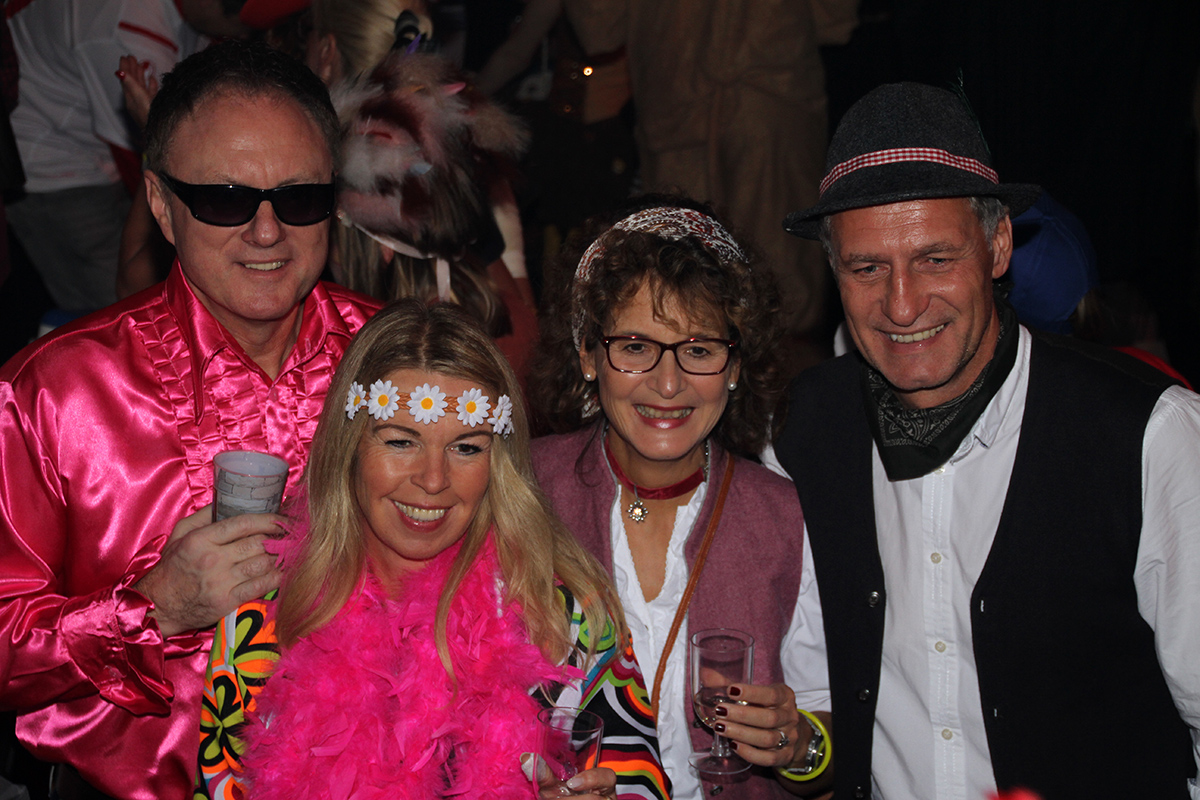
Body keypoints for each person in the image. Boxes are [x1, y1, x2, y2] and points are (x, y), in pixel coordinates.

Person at [775, 82, 1200, 800]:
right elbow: (814, 701)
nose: (902, 304)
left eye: (935, 259)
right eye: (867, 267)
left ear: (998, 244)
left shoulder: (1151, 435)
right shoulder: (800, 433)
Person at [0, 40, 379, 799]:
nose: (266, 232)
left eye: (299, 198)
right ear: (160, 204)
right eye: (226, 199)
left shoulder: (397, 368)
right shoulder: (53, 392)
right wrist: (153, 608)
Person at [193, 298, 670, 800]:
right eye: (401, 442)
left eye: (466, 447)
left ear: (497, 462)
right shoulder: (262, 618)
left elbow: (639, 781)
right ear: (350, 447)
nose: (434, 479)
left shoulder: (566, 620)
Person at [528, 195, 832, 799]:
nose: (668, 384)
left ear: (735, 366)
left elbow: (828, 736)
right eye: (635, 346)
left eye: (698, 350)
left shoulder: (787, 519)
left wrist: (800, 745)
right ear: (589, 354)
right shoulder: (522, 491)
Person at [560, 0, 858, 373]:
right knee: (748, 304)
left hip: (714, 101)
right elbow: (834, 19)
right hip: (752, 101)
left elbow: (599, 25)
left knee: (699, 301)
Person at [6, 0, 249, 314]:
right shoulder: (125, 33)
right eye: (242, 25)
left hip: (93, 147)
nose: (243, 36)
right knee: (116, 310)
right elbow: (144, 164)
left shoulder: (182, 16)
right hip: (52, 166)